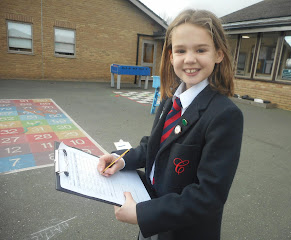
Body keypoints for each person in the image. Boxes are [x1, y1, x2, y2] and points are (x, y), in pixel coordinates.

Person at [98, 9, 243, 240]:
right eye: (181, 50)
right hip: (154, 223)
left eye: (201, 49)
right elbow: (153, 146)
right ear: (171, 56)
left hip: (184, 232)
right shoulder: (170, 100)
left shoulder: (224, 115)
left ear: (219, 54)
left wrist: (143, 214)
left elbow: (209, 196)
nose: (189, 59)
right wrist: (121, 158)